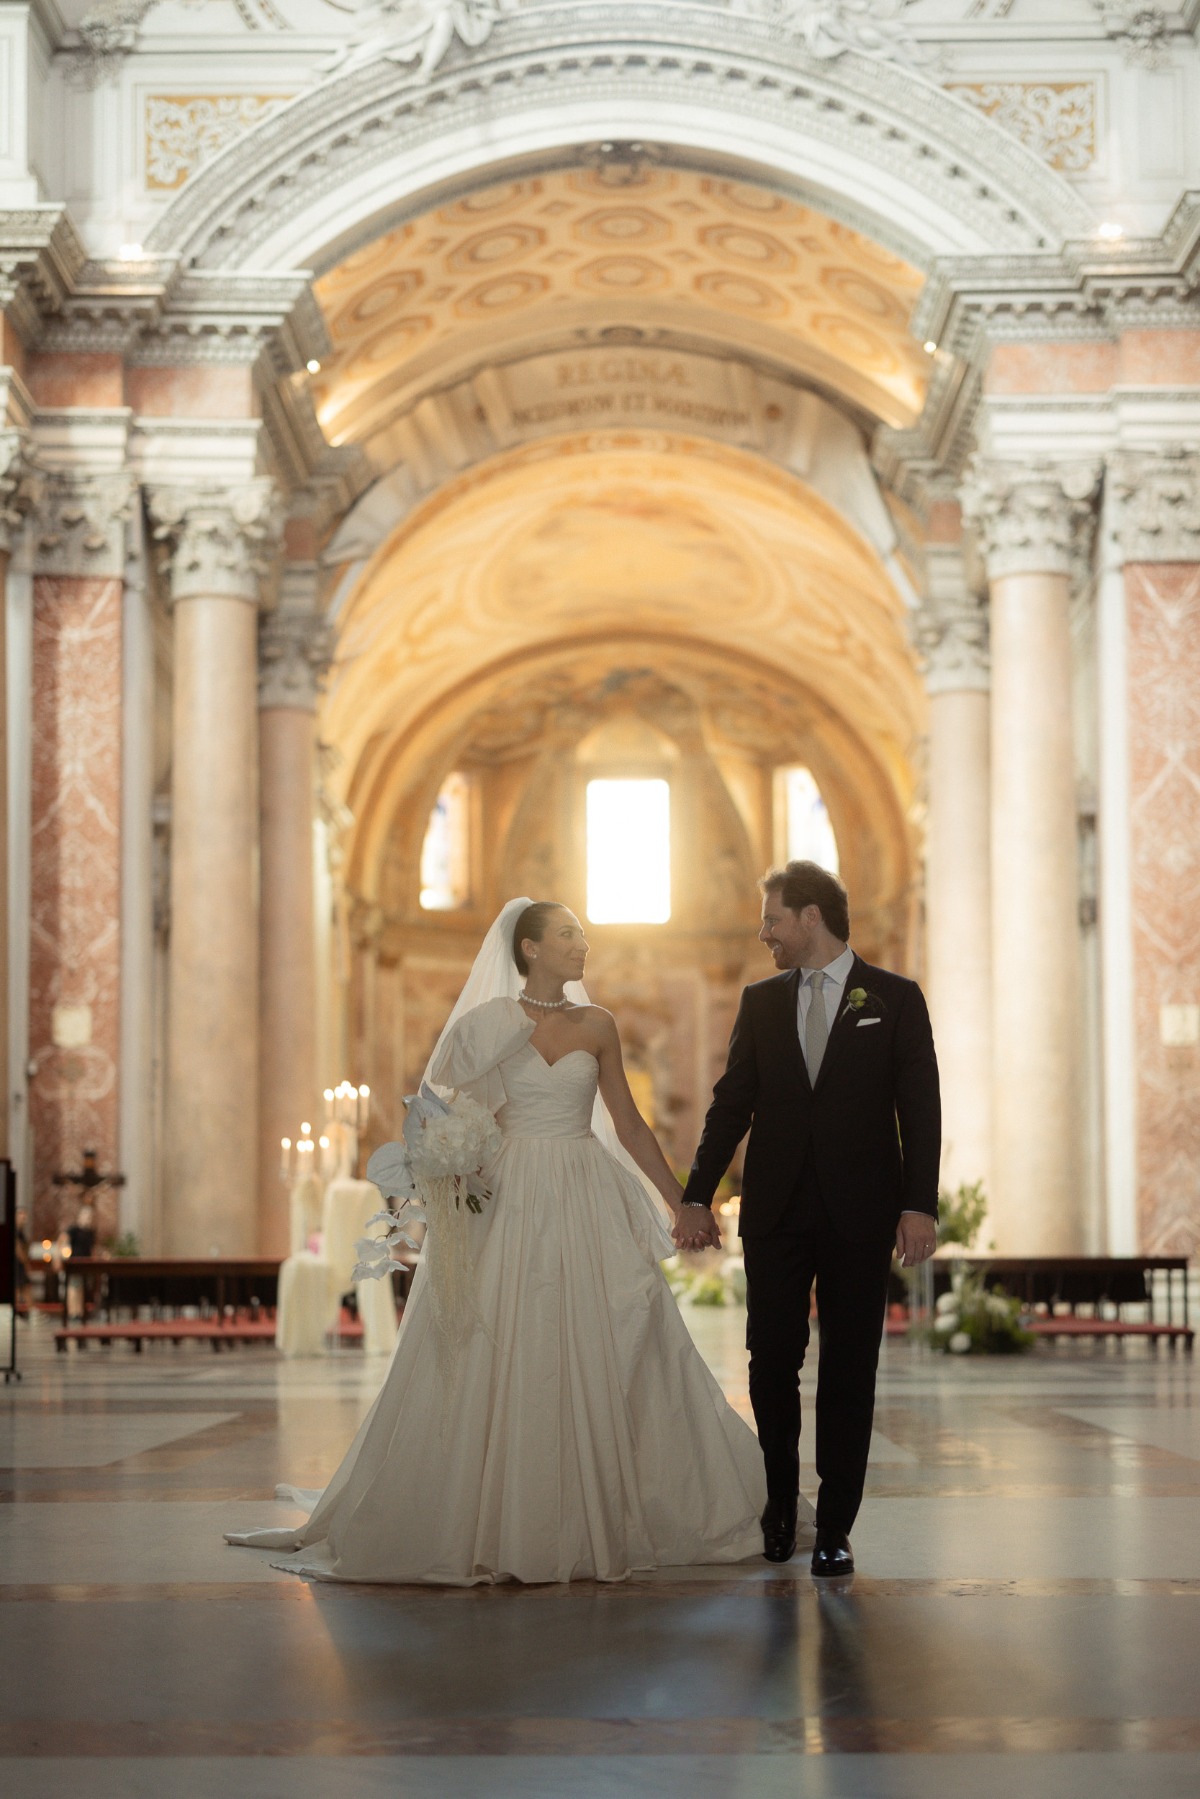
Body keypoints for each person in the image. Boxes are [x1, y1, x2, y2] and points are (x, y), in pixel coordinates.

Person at [226, 896, 789, 1584]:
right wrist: (451, 1163)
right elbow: (446, 1115)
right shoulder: (487, 1024)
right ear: (529, 949)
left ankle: (608, 1505)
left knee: (619, 1326)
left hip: (584, 1187)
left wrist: (684, 1202)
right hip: (510, 1192)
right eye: (568, 934)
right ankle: (492, 1512)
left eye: (581, 933)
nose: (583, 943)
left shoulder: (599, 1024)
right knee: (498, 1334)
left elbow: (632, 1125)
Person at [677, 860, 940, 1577]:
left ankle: (836, 1524)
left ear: (810, 917)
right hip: (778, 1210)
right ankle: (780, 1504)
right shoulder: (761, 1003)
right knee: (772, 1361)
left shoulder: (895, 997)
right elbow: (731, 1104)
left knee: (852, 1367)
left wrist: (919, 1203)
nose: (764, 933)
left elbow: (920, 1110)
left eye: (772, 919)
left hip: (862, 1212)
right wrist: (696, 1193)